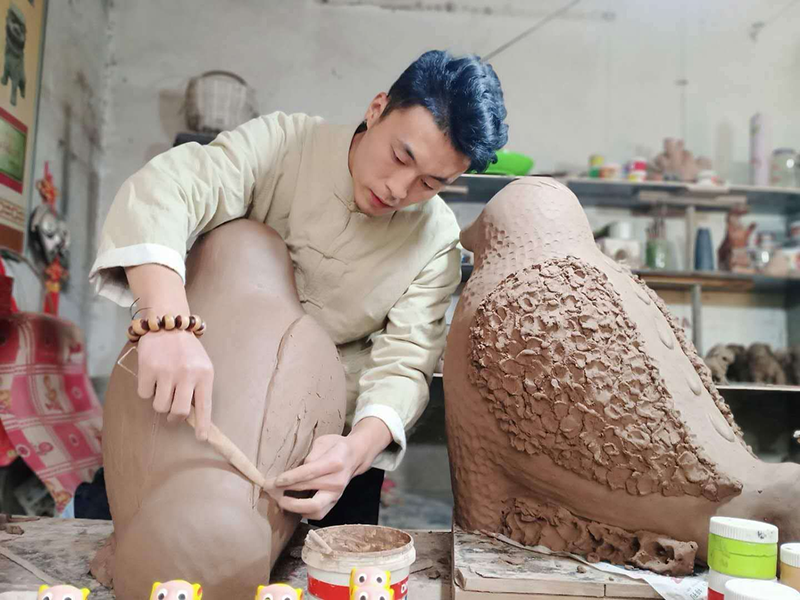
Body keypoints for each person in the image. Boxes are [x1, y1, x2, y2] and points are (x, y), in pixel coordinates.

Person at [90, 49, 509, 525]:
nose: (399, 189)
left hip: (325, 448)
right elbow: (169, 188)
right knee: (137, 531)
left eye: (430, 183)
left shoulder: (436, 240)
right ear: (377, 109)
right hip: (206, 398)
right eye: (400, 156)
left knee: (334, 558)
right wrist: (166, 322)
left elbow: (407, 362)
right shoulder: (285, 144)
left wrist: (355, 450)